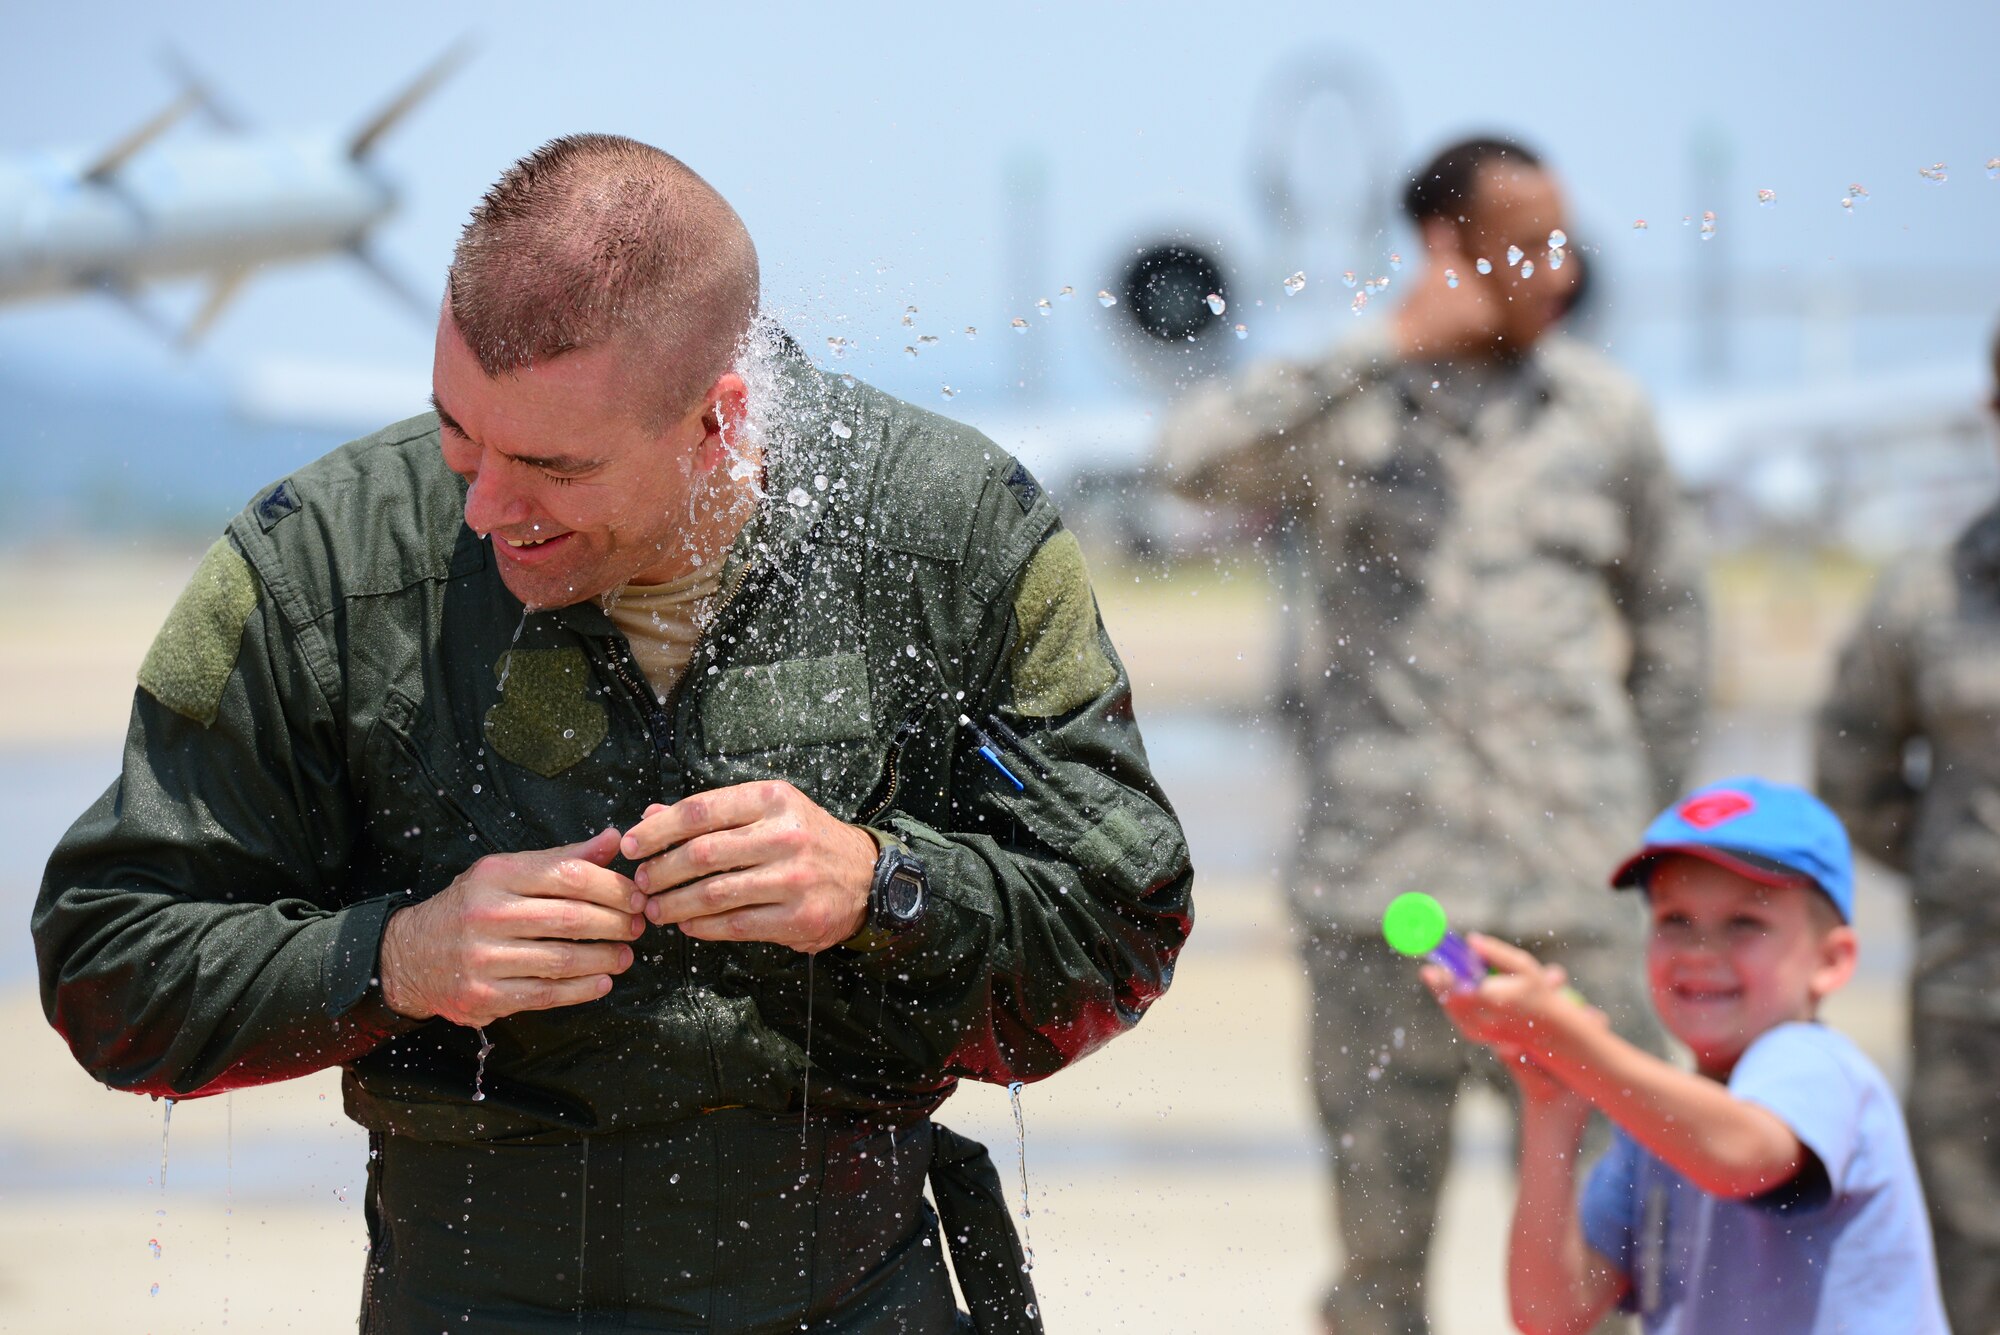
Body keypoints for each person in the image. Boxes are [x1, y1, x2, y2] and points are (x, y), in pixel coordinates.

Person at [32, 134, 1193, 1334]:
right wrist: (397, 961)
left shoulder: (949, 536)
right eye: (457, 435)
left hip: (850, 1287)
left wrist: (886, 892)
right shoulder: (324, 563)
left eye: (549, 467)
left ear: (716, 422)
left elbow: (1123, 917)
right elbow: (111, 968)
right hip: (469, 1293)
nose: (485, 507)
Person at [1154, 134, 1707, 1333]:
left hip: (1572, 904)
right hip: (1387, 908)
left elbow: (1673, 638)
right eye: (1527, 242)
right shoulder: (1351, 405)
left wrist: (1629, 829)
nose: (1559, 269)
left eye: (1564, 239)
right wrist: (1381, 344)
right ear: (1445, 248)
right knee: (1377, 1262)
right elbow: (1187, 465)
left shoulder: (1605, 417)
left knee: (1596, 1263)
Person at [1432, 777, 1948, 1333]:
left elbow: (1740, 1156)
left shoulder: (1817, 1066)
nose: (1701, 953)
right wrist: (1553, 1109)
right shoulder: (1654, 1129)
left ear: (1831, 961)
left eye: (1746, 923)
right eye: (1675, 920)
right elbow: (1550, 1312)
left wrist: (1575, 1044)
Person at [1815, 322, 2000, 1332]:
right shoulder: (1926, 597)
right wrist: (1959, 866)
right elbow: (1851, 774)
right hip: (1972, 1001)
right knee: (1967, 1264)